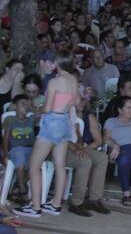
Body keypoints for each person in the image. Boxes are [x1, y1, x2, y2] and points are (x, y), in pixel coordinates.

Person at [13, 52, 80, 218]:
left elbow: (48, 108)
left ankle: (35, 207)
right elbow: (77, 101)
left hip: (52, 123)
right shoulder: (72, 79)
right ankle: (56, 204)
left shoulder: (54, 81)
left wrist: (37, 109)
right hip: (64, 122)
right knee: (60, 164)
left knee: (34, 165)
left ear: (58, 64)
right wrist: (63, 106)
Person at [65, 98, 110, 217]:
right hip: (64, 148)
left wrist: (83, 149)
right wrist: (77, 149)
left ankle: (93, 199)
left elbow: (98, 141)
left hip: (81, 147)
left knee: (102, 158)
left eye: (83, 100)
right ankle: (76, 203)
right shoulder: (64, 113)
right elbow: (61, 138)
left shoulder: (88, 117)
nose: (81, 103)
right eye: (77, 100)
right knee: (85, 161)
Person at [2, 95, 35, 203]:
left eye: (27, 105)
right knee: (20, 164)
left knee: (35, 164)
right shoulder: (10, 120)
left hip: (30, 149)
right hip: (16, 149)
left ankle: (17, 186)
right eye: (22, 104)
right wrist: (6, 154)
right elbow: (6, 138)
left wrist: (32, 107)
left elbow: (42, 114)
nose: (25, 107)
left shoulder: (31, 119)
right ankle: (23, 190)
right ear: (14, 106)